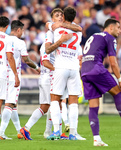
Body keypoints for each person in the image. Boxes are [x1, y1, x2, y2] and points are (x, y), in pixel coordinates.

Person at [20, 8, 80, 140]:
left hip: (53, 75)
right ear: (52, 19)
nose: (59, 17)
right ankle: (31, 129)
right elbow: (45, 62)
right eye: (56, 15)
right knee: (53, 104)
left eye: (61, 15)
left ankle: (48, 131)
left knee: (49, 106)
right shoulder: (50, 36)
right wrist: (57, 69)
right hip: (49, 76)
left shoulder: (61, 32)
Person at [81, 18, 121, 147]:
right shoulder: (109, 37)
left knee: (93, 106)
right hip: (96, 69)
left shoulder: (94, 36)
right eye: (118, 28)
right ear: (111, 27)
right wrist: (120, 80)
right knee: (118, 92)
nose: (120, 30)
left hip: (84, 71)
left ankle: (96, 139)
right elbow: (113, 63)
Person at [0, 20, 40, 140]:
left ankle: (18, 130)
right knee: (10, 104)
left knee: (13, 104)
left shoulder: (3, 39)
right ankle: (1, 132)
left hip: (0, 74)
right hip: (12, 75)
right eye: (23, 30)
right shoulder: (20, 42)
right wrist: (37, 68)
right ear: (19, 30)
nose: (23, 33)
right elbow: (26, 60)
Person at [45, 7, 83, 140]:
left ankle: (56, 131)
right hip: (74, 69)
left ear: (64, 17)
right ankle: (73, 133)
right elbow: (78, 28)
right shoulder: (78, 31)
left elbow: (48, 49)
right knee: (73, 102)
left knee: (55, 99)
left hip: (60, 67)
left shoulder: (55, 29)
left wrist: (60, 38)